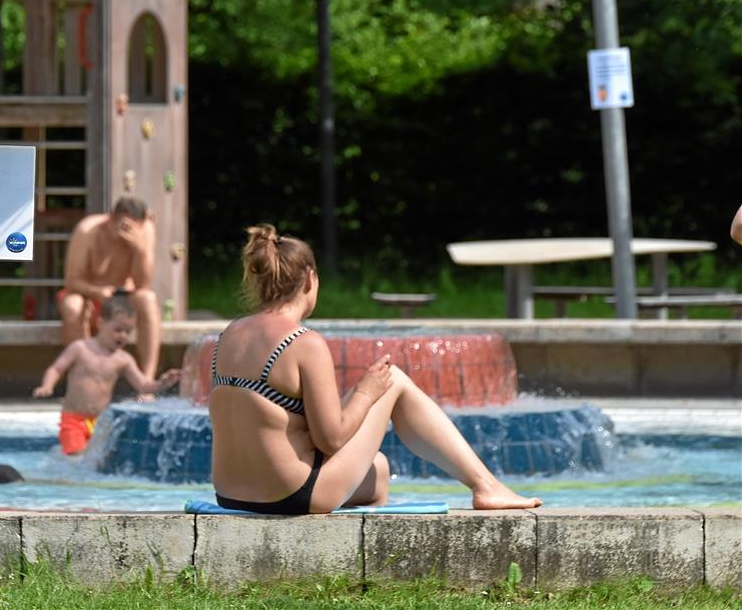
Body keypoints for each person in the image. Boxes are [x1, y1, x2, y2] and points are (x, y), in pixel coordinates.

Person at [208, 224, 543, 514]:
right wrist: (367, 392)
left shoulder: (229, 336)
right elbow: (332, 440)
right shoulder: (302, 342)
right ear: (310, 279)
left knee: (377, 471)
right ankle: (486, 486)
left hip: (231, 496)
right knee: (394, 379)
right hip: (292, 495)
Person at [33, 292, 180, 454]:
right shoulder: (80, 349)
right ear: (101, 323)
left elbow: (143, 385)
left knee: (99, 460)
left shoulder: (123, 359)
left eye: (128, 331)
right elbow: (56, 368)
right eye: (118, 329)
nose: (123, 335)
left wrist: (162, 383)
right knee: (76, 457)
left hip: (101, 422)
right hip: (74, 419)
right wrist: (47, 385)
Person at [58, 197, 161, 381]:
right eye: (123, 226)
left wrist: (139, 249)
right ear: (111, 218)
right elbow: (72, 281)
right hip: (89, 294)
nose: (126, 233)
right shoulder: (88, 230)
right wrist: (96, 292)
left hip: (122, 296)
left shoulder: (146, 230)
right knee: (72, 305)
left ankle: (147, 380)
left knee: (148, 299)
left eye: (132, 228)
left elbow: (143, 284)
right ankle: (84, 378)